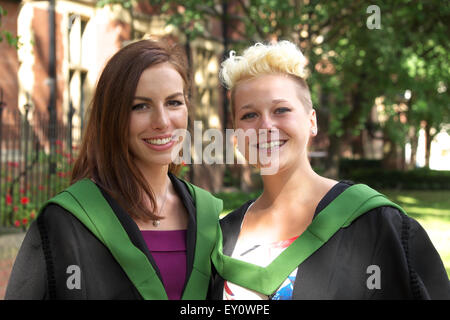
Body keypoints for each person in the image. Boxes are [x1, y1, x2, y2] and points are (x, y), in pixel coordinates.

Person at [210, 41, 450, 300]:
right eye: (249, 115)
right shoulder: (223, 238)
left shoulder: (376, 225)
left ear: (312, 121)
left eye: (281, 110)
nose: (266, 125)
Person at [5, 39, 222, 300]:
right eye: (140, 106)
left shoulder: (207, 217)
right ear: (112, 116)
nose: (162, 122)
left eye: (174, 102)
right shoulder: (66, 222)